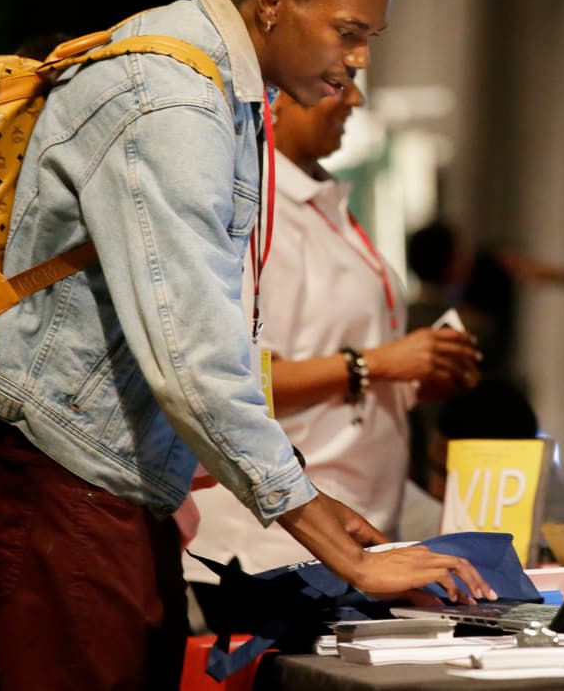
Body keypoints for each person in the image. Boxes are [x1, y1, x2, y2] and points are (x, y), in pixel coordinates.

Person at [0, 0, 493, 690]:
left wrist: (311, 503)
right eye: (347, 32)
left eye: (369, 39)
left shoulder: (214, 82)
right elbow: (195, 361)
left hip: (107, 474)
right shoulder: (173, 96)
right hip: (68, 467)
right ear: (271, 1)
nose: (358, 61)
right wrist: (341, 550)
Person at [183, 80, 482, 624]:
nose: (355, 99)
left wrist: (413, 379)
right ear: (274, 94)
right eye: (336, 83)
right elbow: (227, 385)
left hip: (351, 524)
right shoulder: (249, 209)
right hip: (275, 543)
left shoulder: (324, 201)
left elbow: (334, 368)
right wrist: (376, 364)